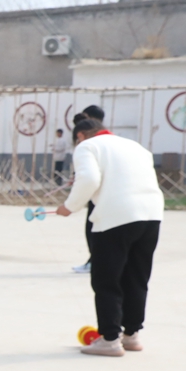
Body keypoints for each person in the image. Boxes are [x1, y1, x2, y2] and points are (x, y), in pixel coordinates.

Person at [55, 112, 163, 356]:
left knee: (107, 278)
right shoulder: (135, 146)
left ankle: (110, 338)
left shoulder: (87, 147)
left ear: (80, 136)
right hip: (151, 215)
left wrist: (70, 206)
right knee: (137, 276)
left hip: (116, 217)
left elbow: (89, 179)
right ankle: (132, 335)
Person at [70, 105, 104, 274]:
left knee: (94, 228)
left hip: (100, 194)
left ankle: (96, 261)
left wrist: (70, 206)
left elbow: (90, 178)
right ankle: (96, 260)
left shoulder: (89, 144)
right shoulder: (111, 142)